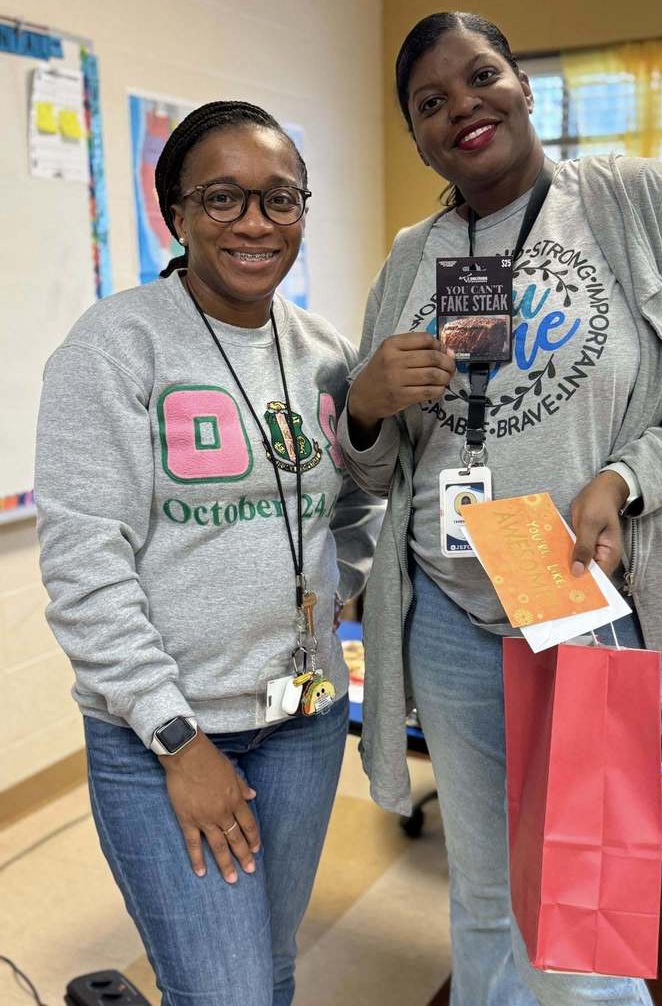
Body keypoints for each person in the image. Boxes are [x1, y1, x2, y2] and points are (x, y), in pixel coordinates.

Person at [338, 11, 662, 1006]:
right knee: (482, 894)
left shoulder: (630, 200)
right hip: (447, 609)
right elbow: (370, 472)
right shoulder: (415, 256)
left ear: (524, 84)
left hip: (580, 592)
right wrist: (364, 405)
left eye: (481, 75)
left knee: (585, 908)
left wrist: (624, 476)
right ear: (417, 137)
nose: (463, 107)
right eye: (430, 104)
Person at [35, 100, 381, 1006]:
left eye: (280, 199)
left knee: (266, 972)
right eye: (223, 198)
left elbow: (350, 509)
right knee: (224, 992)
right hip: (165, 736)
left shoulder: (324, 352)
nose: (255, 223)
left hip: (303, 722)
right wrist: (176, 737)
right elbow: (84, 566)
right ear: (175, 214)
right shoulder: (116, 347)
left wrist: (343, 584)